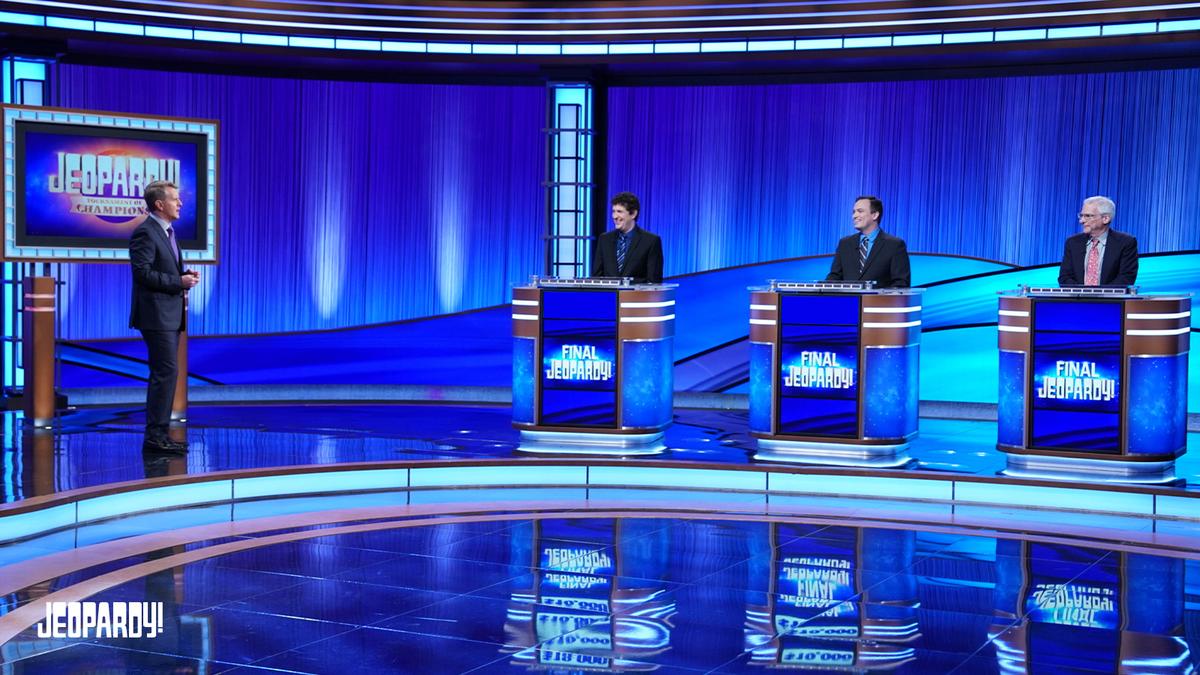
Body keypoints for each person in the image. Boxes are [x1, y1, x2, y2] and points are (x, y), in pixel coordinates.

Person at [129, 180, 199, 454]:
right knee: (165, 372)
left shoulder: (167, 232)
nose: (180, 204)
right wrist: (177, 282)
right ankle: (155, 437)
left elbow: (163, 269)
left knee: (167, 373)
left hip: (169, 314)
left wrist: (185, 276)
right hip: (155, 315)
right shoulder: (145, 232)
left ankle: (160, 434)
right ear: (159, 204)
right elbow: (142, 274)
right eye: (175, 199)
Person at [826, 196, 911, 288]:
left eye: (860, 211)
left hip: (879, 302)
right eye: (854, 212)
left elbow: (901, 283)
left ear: (875, 215)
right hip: (849, 301)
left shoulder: (895, 245)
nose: (854, 216)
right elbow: (834, 277)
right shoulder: (845, 244)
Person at [1057, 196, 1138, 287]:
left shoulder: (1126, 243)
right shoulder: (1072, 243)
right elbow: (1064, 277)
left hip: (1110, 300)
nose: (1081, 221)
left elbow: (1126, 277)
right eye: (1081, 215)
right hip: (1078, 299)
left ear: (1105, 219)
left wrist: (1100, 296)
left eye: (1088, 216)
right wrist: (1084, 295)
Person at [592, 192, 663, 284]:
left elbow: (654, 282)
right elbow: (597, 278)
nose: (614, 216)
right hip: (609, 297)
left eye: (619, 212)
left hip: (637, 297)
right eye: (613, 211)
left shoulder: (651, 241)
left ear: (633, 214)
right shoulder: (604, 239)